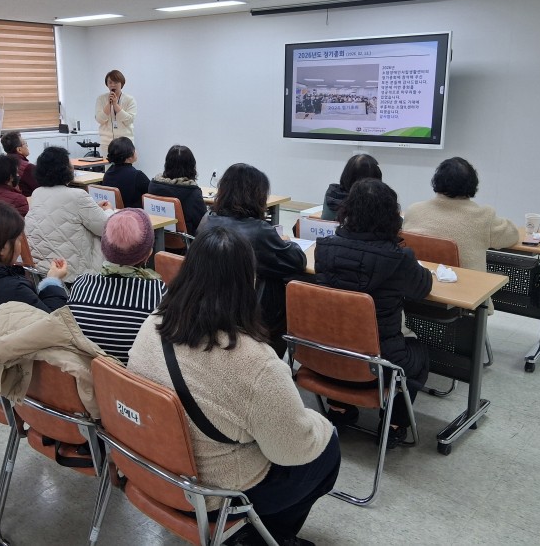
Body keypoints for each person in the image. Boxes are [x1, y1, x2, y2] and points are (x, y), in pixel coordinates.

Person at [128, 227, 339, 546]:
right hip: (214, 491)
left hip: (153, 467)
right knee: (327, 448)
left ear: (188, 270)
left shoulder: (153, 322)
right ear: (248, 282)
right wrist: (321, 425)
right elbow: (292, 450)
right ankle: (265, 537)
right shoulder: (256, 363)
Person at [315, 178, 432, 448]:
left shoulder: (325, 248)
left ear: (347, 210)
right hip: (379, 365)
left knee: (342, 332)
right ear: (392, 216)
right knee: (420, 354)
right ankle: (393, 424)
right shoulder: (399, 258)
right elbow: (422, 288)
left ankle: (339, 408)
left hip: (325, 357)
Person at [199, 163, 306, 355]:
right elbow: (297, 262)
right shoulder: (259, 231)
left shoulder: (206, 220)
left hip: (210, 305)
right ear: (257, 196)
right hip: (252, 312)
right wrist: (287, 243)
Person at [67, 209, 165, 364]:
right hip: (131, 375)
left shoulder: (80, 284)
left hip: (88, 372)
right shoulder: (159, 294)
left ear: (104, 249)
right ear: (148, 254)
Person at [402, 156, 520, 276]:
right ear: (473, 184)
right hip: (469, 286)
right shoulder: (484, 216)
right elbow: (512, 236)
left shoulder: (413, 210)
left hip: (421, 283)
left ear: (436, 180)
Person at [25, 147, 114, 283]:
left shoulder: (37, 193)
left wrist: (93, 207)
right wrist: (108, 210)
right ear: (64, 169)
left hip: (44, 270)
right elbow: (106, 228)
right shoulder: (77, 196)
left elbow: (62, 214)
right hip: (74, 274)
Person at [147, 145, 206, 234]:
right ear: (191, 166)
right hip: (185, 240)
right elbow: (203, 222)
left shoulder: (153, 185)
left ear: (167, 164)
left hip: (157, 237)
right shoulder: (193, 192)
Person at [320, 153, 382, 221]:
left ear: (346, 174)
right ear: (376, 176)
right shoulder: (379, 199)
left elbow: (325, 218)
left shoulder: (332, 192)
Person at [94, 69, 136, 155]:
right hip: (107, 143)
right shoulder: (101, 99)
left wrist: (115, 105)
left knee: (125, 164)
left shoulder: (130, 99)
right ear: (107, 84)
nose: (112, 85)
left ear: (121, 83)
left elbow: (129, 120)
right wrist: (109, 104)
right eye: (110, 82)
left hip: (125, 143)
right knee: (108, 164)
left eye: (116, 82)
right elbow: (100, 119)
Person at [101, 137, 149, 208]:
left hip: (113, 212)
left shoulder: (108, 173)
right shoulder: (137, 175)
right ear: (129, 155)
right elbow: (153, 194)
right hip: (132, 213)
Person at [0, 131, 38, 197]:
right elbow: (39, 189)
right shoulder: (28, 167)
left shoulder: (1, 163)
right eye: (25, 143)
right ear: (19, 150)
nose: (27, 146)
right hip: (27, 200)